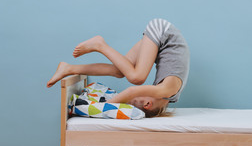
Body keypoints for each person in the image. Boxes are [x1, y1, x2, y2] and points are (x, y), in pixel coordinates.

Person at [47, 18, 190, 117]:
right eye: (135, 99)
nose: (136, 94)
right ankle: (99, 44)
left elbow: (132, 91)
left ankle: (69, 68)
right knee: (136, 77)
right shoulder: (167, 90)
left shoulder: (168, 93)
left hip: (161, 41)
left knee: (120, 71)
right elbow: (131, 91)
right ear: (147, 104)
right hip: (164, 33)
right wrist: (102, 108)